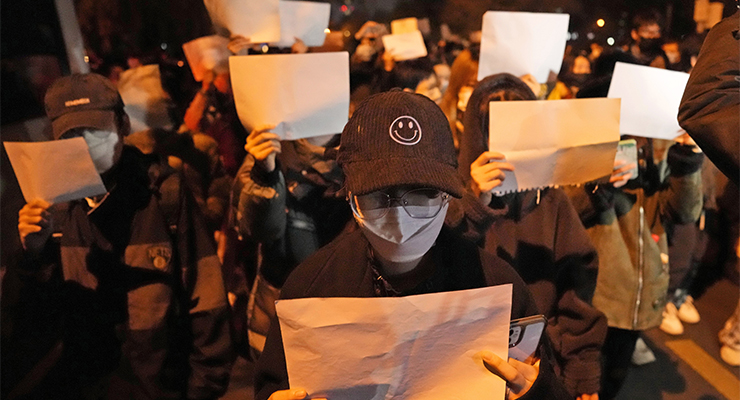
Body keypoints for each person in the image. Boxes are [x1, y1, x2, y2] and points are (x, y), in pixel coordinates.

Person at [254, 90, 571, 400]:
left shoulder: (495, 287)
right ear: (349, 194)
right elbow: (273, 385)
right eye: (378, 194)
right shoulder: (313, 287)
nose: (399, 217)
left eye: (423, 193)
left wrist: (536, 391)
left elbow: (535, 372)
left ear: (448, 194)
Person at [13, 73, 234, 399]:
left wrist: (202, 391)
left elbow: (207, 302)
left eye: (96, 129)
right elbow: (32, 324)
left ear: (123, 124)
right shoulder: (52, 208)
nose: (86, 142)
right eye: (73, 133)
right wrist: (30, 256)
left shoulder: (164, 193)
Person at [451, 73, 607, 399]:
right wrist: (474, 203)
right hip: (463, 365)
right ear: (477, 135)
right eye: (493, 129)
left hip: (536, 367)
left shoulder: (551, 200)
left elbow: (576, 290)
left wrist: (582, 371)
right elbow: (438, 269)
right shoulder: (451, 195)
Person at [564, 91, 704, 398]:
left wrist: (687, 161)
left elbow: (684, 212)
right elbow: (561, 212)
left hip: (638, 292)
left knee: (613, 378)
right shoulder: (583, 136)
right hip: (592, 293)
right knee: (578, 381)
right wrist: (597, 185)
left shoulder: (661, 144)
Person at [229, 125, 353, 359]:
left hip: (347, 313)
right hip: (283, 311)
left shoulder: (365, 143)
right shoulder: (269, 148)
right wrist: (264, 174)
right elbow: (255, 229)